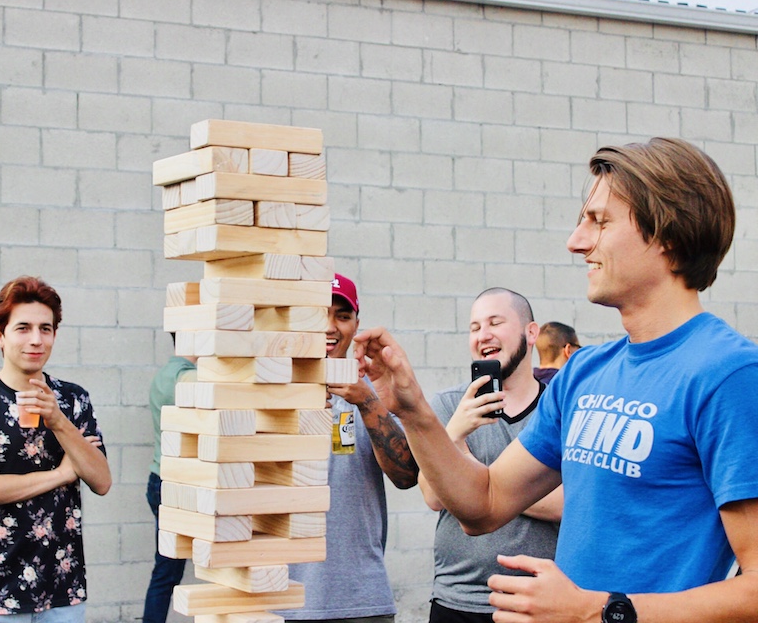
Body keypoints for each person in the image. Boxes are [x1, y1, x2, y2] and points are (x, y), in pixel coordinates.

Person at [354, 138, 758, 622]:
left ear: (667, 234)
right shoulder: (586, 372)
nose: (576, 241)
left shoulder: (729, 374)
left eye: (600, 221)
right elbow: (483, 503)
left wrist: (599, 611)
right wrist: (414, 410)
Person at [0, 276, 111, 622]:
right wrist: (62, 474)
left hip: (62, 587)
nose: (36, 339)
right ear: (0, 336)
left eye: (46, 329)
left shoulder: (72, 399)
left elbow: (101, 480)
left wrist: (59, 422)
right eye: (23, 328)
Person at [278, 273, 419, 623]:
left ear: (357, 323)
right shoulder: (271, 389)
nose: (330, 327)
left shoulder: (375, 388)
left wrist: (366, 402)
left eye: (342, 316)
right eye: (319, 314)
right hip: (279, 599)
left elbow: (407, 476)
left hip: (360, 600)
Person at [423, 288, 561, 623]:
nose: (483, 335)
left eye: (495, 323)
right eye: (474, 327)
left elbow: (569, 502)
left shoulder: (559, 408)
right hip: (457, 598)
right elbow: (432, 495)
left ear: (531, 333)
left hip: (538, 601)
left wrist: (477, 485)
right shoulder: (449, 405)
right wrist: (454, 432)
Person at [143, 335, 197, 623]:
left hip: (159, 478)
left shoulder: (164, 375)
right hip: (176, 486)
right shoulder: (190, 380)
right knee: (167, 572)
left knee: (166, 570)